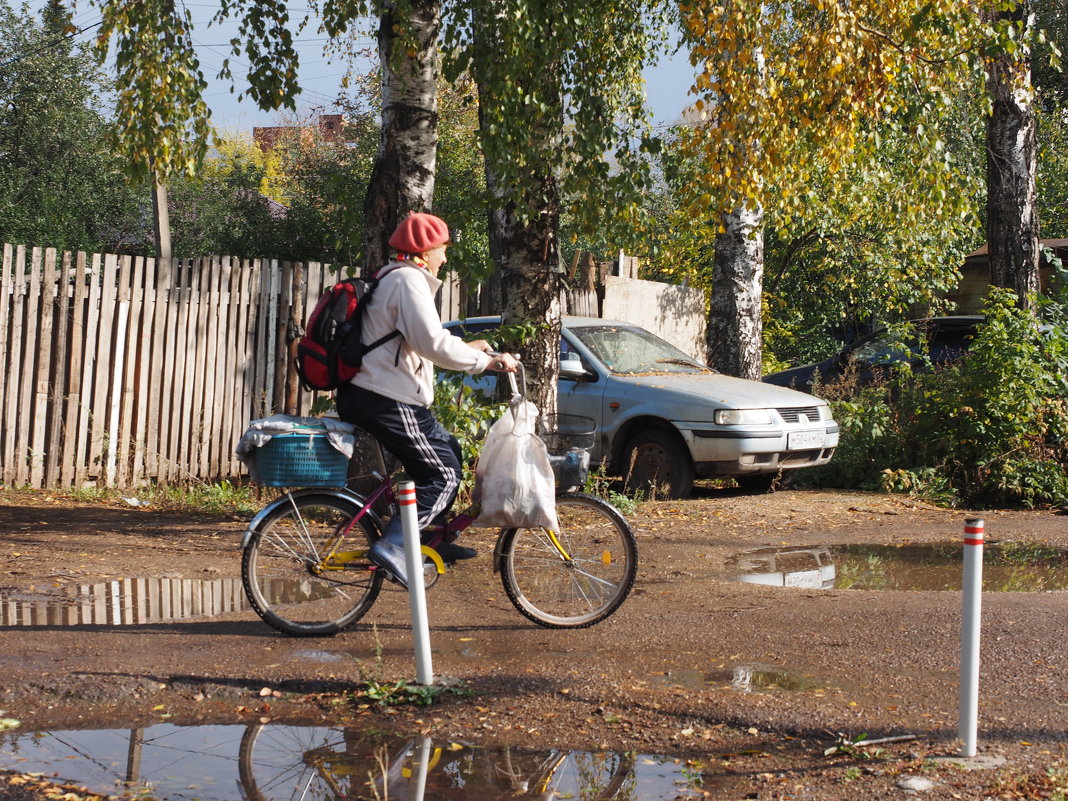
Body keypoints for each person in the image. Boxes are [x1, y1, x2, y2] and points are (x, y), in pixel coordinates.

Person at [336, 212, 518, 589]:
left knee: (448, 449)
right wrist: (486, 362)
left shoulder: (397, 278)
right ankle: (397, 545)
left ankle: (431, 539)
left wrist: (469, 348)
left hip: (382, 393)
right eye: (442, 249)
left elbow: (417, 343)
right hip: (383, 397)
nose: (445, 259)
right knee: (445, 474)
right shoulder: (406, 281)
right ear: (425, 249)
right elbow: (432, 343)